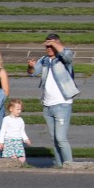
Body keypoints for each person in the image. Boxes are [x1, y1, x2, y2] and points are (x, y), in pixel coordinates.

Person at [27, 33, 79, 168]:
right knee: (54, 139)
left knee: (61, 138)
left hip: (62, 104)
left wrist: (54, 43)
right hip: (48, 105)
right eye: (47, 46)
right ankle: (59, 165)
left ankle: (70, 166)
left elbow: (68, 55)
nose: (49, 48)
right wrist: (31, 66)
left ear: (57, 44)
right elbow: (33, 72)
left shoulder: (63, 59)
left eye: (51, 45)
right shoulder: (44, 60)